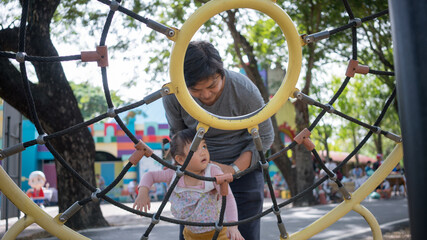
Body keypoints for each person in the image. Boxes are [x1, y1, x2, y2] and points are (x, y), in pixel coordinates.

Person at [163, 41, 274, 239]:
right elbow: (178, 135)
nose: (205, 95)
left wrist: (233, 169)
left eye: (212, 86)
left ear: (221, 72)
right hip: (197, 174)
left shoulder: (244, 90)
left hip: (242, 170)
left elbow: (265, 136)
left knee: (243, 233)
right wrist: (184, 169)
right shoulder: (174, 94)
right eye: (195, 90)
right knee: (193, 234)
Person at [133, 129, 244, 240]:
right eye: (195, 149)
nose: (203, 152)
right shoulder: (175, 174)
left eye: (204, 146)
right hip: (191, 234)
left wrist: (233, 225)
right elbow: (150, 176)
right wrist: (143, 192)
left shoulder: (212, 172)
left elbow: (228, 197)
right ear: (180, 159)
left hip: (219, 232)